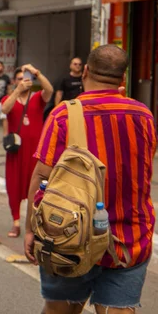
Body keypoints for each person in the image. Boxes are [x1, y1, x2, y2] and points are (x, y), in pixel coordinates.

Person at [25, 45, 155, 314]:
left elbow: (41, 176)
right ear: (123, 79)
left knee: (60, 310)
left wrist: (30, 229)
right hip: (130, 240)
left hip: (67, 237)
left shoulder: (63, 115)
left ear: (84, 71)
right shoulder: (144, 116)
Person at [1, 65, 53, 238]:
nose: (24, 81)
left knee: (38, 187)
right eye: (19, 78)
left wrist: (37, 72)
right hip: (16, 151)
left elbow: (49, 89)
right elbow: (5, 109)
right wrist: (17, 91)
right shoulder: (9, 98)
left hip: (35, 152)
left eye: (26, 78)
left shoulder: (38, 98)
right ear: (15, 81)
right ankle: (15, 222)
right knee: (13, 186)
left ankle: (34, 222)